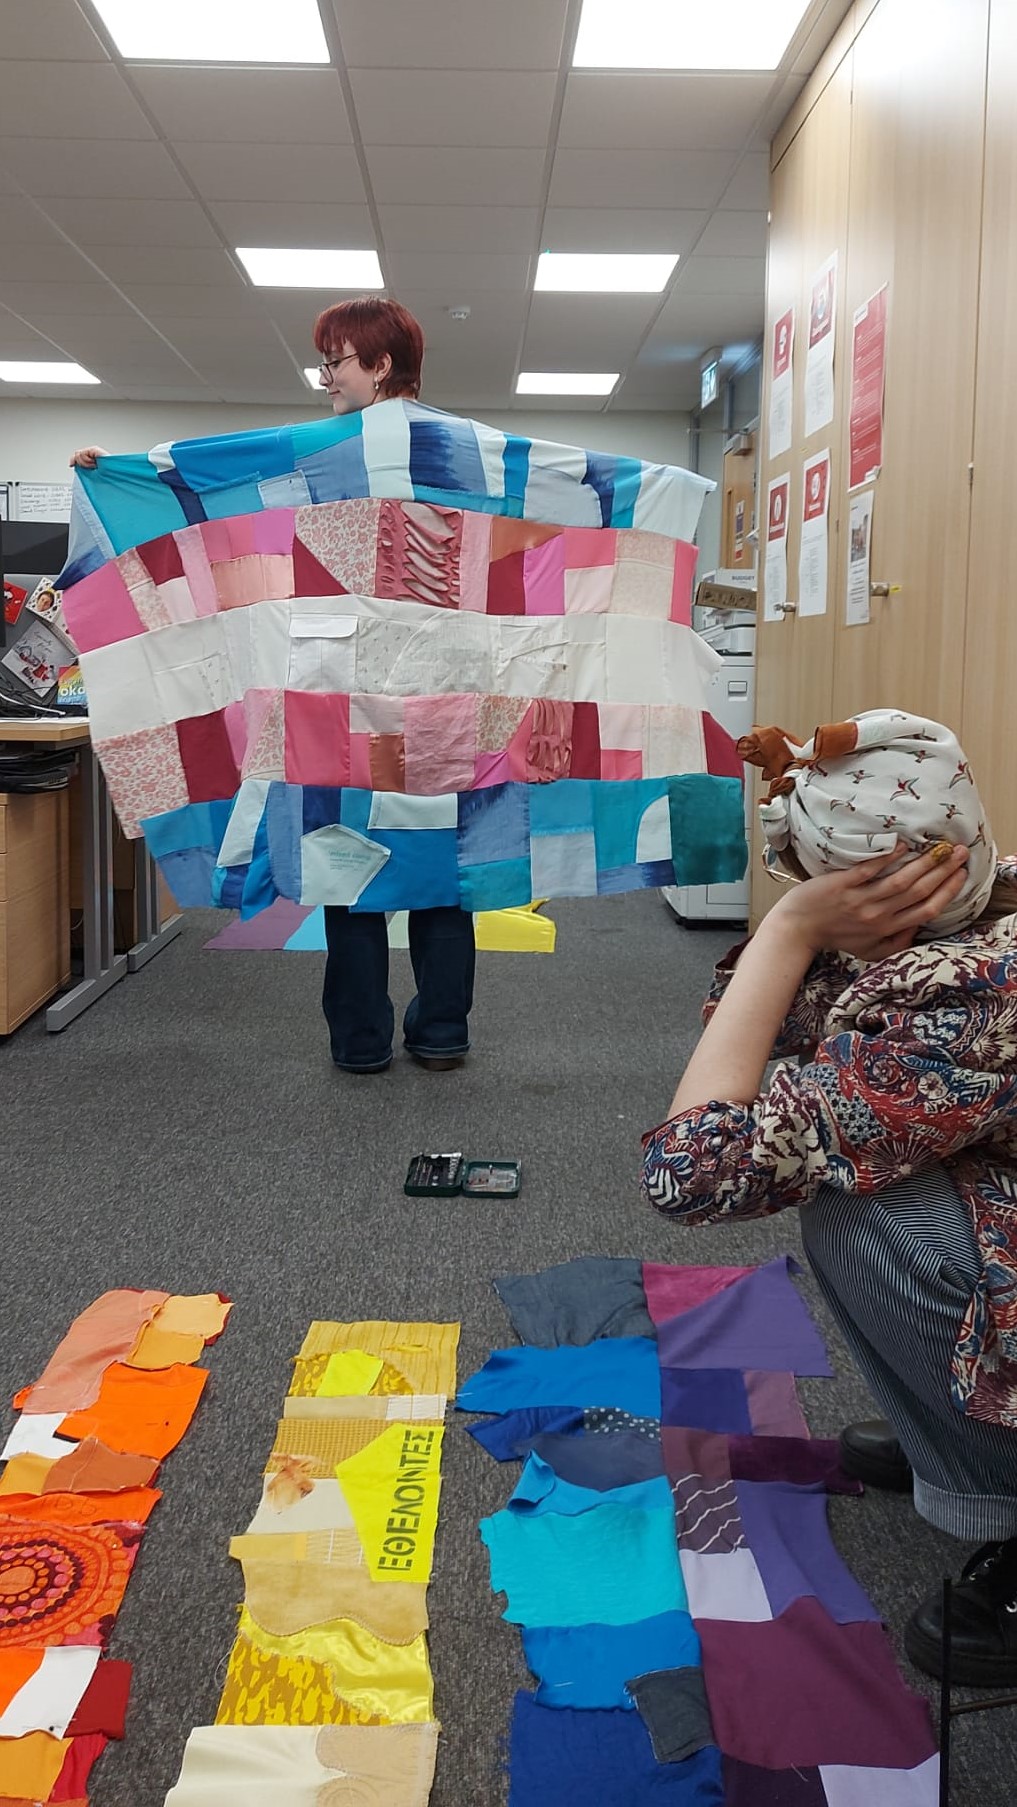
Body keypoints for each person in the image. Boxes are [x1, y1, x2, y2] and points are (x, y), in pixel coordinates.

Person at [642, 710, 1017, 1686]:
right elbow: (776, 1046)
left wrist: (789, 931)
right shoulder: (984, 910)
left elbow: (694, 1167)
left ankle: (998, 1480)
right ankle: (952, 1424)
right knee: (860, 1163)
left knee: (860, 1200)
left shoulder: (959, 1005)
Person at [72, 295, 475, 1077]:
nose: (325, 376)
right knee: (438, 876)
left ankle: (361, 1044)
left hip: (335, 695)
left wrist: (118, 476)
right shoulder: (465, 453)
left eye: (335, 359)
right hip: (437, 696)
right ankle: (441, 1035)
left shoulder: (318, 456)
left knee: (343, 867)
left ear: (379, 363)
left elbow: (215, 481)